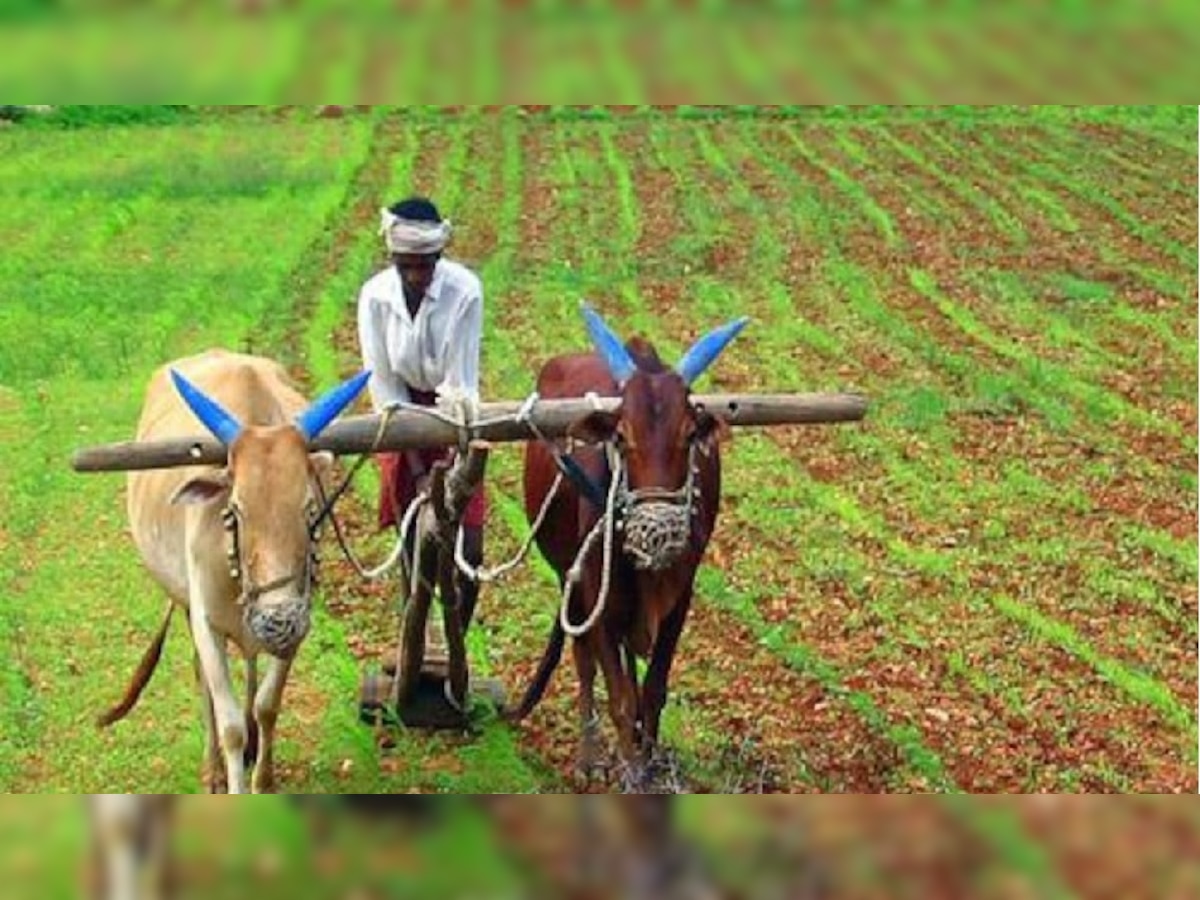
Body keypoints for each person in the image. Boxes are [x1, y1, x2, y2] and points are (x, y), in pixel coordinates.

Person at [356, 196, 487, 637]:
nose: (416, 275)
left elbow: (460, 383)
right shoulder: (375, 297)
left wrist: (452, 471)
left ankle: (456, 645)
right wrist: (414, 468)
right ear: (392, 257)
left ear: (439, 256)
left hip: (455, 416)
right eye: (406, 265)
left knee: (469, 550)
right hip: (400, 417)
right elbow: (384, 386)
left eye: (425, 265)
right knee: (414, 543)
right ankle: (413, 637)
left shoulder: (465, 290)